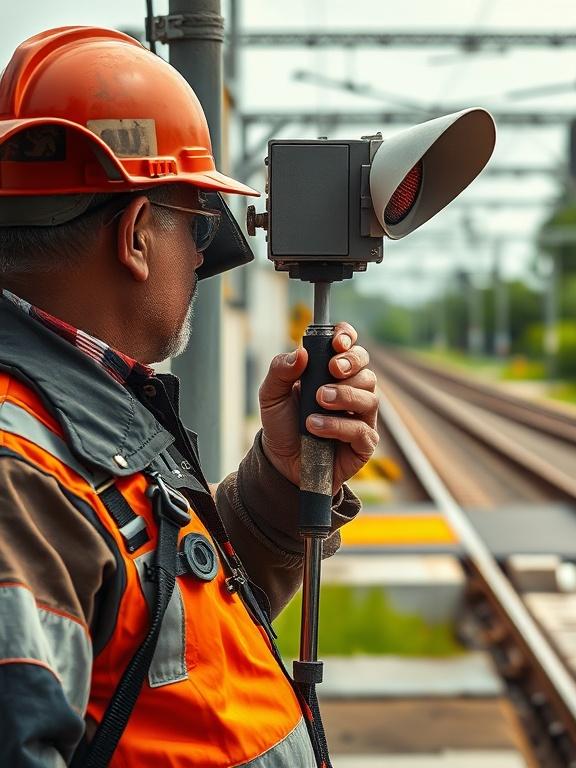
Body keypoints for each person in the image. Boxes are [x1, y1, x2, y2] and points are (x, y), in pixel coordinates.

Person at [0, 26, 379, 767]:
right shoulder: (20, 472)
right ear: (138, 235)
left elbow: (164, 641)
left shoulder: (76, 418)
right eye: (199, 226)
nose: (204, 255)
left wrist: (282, 483)